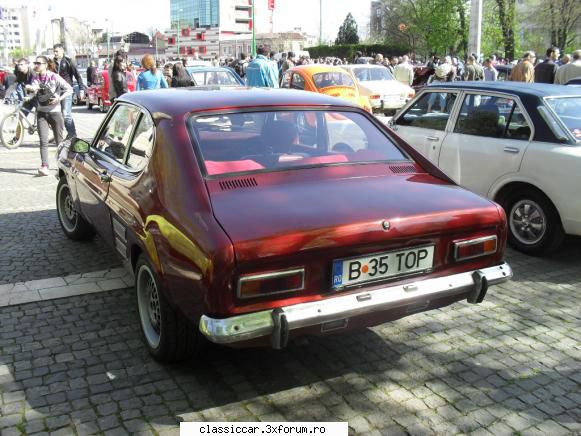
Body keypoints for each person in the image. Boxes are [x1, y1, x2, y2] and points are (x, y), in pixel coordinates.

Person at [27, 56, 72, 176]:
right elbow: (36, 90)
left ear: (45, 65)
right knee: (43, 141)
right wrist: (30, 94)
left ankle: (62, 166)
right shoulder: (36, 77)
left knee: (59, 142)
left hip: (55, 113)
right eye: (35, 63)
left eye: (38, 63)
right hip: (41, 112)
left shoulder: (54, 76)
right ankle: (44, 166)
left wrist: (59, 98)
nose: (36, 65)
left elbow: (69, 89)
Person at [53, 43, 84, 139]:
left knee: (66, 113)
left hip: (67, 91)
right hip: (55, 92)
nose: (55, 53)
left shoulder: (68, 61)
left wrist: (81, 89)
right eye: (54, 51)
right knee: (55, 114)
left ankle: (72, 135)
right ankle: (57, 135)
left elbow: (77, 75)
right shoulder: (52, 62)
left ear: (62, 51)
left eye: (57, 51)